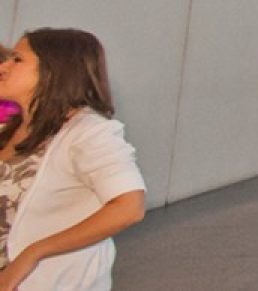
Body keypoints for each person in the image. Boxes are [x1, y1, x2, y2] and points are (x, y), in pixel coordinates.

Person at [0, 29, 147, 289]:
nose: (4, 65)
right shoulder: (10, 129)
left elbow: (129, 207)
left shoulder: (89, 133)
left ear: (53, 70)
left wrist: (33, 253)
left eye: (17, 60)